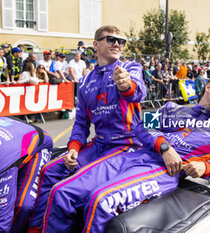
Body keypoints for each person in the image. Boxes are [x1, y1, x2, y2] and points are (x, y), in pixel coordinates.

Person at [37, 74, 210, 233]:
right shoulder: (171, 108)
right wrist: (165, 147)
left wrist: (204, 167)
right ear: (208, 87)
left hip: (162, 171)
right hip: (131, 155)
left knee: (100, 201)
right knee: (61, 192)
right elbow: (141, 127)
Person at [28, 25, 147, 233]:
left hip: (126, 146)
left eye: (121, 41)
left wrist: (126, 85)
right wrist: (73, 148)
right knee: (48, 172)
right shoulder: (84, 82)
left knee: (62, 192)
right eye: (110, 39)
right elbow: (81, 123)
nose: (117, 44)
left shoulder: (130, 68)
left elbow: (137, 92)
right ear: (96, 44)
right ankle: (36, 228)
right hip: (99, 144)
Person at [0, 117, 53, 233]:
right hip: (13, 132)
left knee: (23, 205)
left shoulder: (3, 162)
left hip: (38, 145)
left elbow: (3, 218)